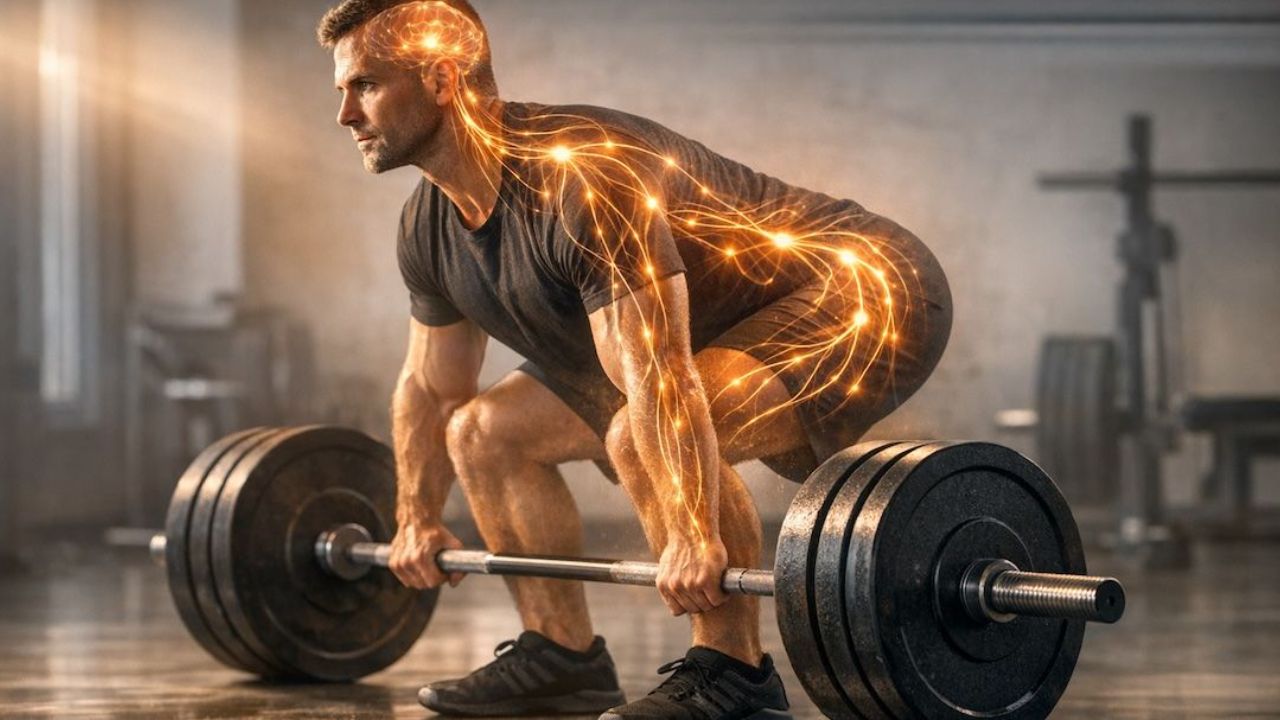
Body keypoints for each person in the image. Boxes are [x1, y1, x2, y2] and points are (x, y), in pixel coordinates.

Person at [318, 1, 952, 717]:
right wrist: (416, 516)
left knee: (636, 436)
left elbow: (657, 372)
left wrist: (692, 533)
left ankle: (735, 674)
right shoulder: (428, 225)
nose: (345, 114)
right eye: (342, 89)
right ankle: (561, 657)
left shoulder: (582, 176)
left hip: (862, 284)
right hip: (711, 328)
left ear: (441, 79)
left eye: (365, 85)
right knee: (481, 434)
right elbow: (433, 392)